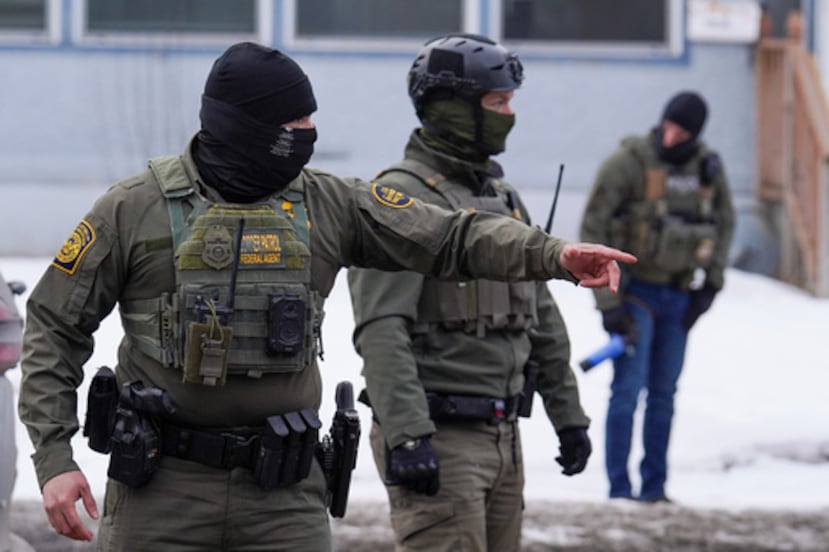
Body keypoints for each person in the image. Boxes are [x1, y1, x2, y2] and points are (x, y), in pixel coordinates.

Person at [17, 41, 634, 550]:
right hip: (161, 491)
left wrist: (552, 255)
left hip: (285, 497)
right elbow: (53, 324)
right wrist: (54, 458)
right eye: (295, 123)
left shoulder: (329, 203)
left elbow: (449, 236)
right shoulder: (134, 209)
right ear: (245, 126)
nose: (310, 133)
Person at [346, 34, 593, 551]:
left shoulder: (503, 198)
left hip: (504, 434)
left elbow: (541, 316)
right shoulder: (399, 198)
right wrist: (407, 435)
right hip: (440, 437)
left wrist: (568, 417)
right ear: (452, 108)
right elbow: (381, 329)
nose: (509, 116)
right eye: (497, 103)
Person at [579, 90, 735, 503]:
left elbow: (725, 223)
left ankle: (655, 488)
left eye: (681, 133)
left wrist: (711, 284)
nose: (670, 138)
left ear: (694, 135)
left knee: (664, 394)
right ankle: (619, 490)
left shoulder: (707, 169)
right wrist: (608, 304)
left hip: (680, 294)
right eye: (667, 127)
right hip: (635, 293)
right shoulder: (628, 163)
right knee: (627, 391)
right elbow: (593, 227)